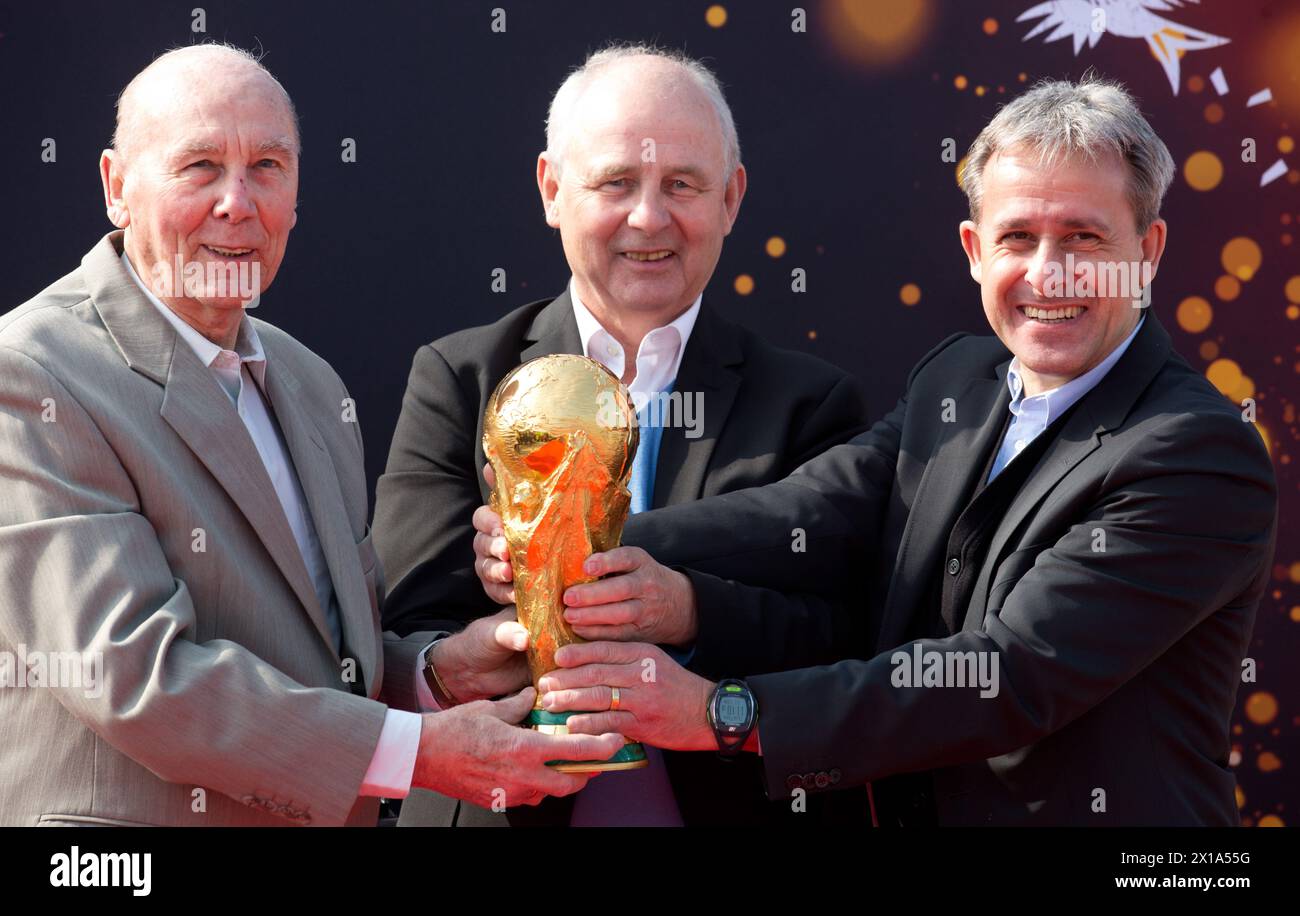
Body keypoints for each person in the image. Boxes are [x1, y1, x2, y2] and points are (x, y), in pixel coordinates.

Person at [474, 77, 1279, 825]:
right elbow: (809, 511)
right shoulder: (957, 377)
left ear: (1150, 251)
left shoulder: (1196, 455)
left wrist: (724, 711)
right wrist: (571, 532)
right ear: (972, 249)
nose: (1048, 272)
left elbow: (1004, 676)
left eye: (1085, 237)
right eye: (1018, 237)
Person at [0, 44, 621, 827]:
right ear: (116, 188)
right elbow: (136, 678)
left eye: (268, 165)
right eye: (199, 166)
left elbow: (319, 656)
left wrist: (438, 676)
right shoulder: (30, 375)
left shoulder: (310, 384)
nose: (238, 202)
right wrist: (422, 752)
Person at [374, 44, 871, 826]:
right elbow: (401, 625)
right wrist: (488, 640)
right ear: (552, 189)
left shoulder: (811, 402)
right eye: (616, 183)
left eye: (682, 184)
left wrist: (689, 609)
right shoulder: (461, 380)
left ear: (732, 199)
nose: (649, 216)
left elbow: (843, 636)